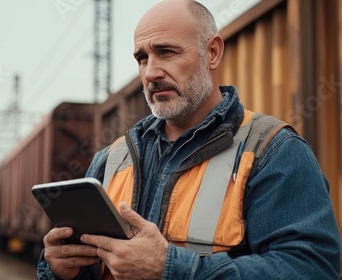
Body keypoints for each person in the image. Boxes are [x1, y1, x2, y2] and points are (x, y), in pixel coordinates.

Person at [37, 0, 341, 279]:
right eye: (142, 58)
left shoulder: (272, 151)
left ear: (212, 53)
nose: (151, 72)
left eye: (166, 52)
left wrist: (172, 269)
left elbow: (312, 270)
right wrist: (60, 270)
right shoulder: (110, 159)